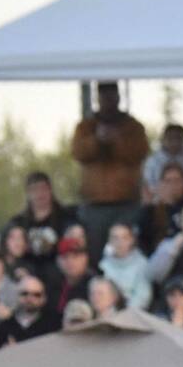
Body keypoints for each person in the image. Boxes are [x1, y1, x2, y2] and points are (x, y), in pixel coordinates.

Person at [71, 82, 149, 258]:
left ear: (119, 97)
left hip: (126, 202)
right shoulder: (86, 126)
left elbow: (139, 152)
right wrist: (97, 140)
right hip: (94, 204)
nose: (108, 100)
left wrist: (116, 139)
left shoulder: (132, 127)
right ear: (98, 98)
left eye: (112, 95)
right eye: (104, 96)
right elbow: (78, 152)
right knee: (95, 252)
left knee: (127, 251)